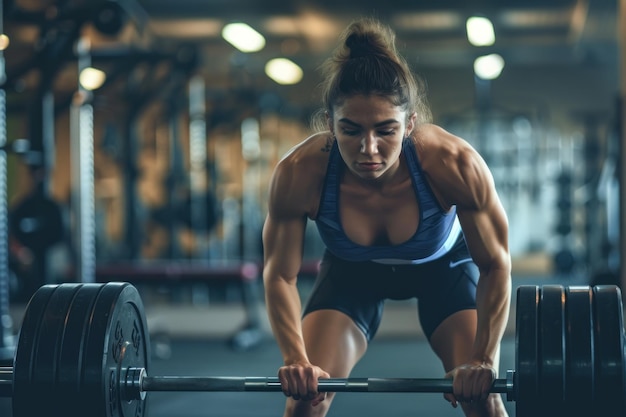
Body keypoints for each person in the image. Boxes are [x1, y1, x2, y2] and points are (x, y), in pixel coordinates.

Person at [262, 17, 511, 417]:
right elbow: (279, 274)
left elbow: (496, 265)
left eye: (386, 130)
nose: (369, 149)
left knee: (482, 398)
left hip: (443, 271)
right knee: (306, 398)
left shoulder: (454, 163)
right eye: (351, 130)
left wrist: (483, 359)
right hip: (352, 274)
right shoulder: (299, 172)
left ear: (410, 124)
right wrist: (295, 359)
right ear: (329, 123)